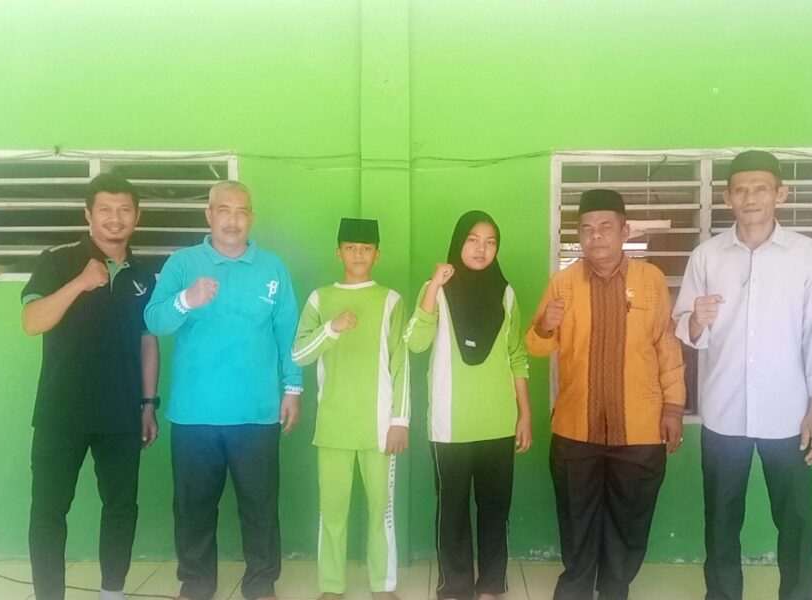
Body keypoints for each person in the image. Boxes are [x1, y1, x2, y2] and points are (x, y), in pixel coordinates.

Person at [672, 150, 812, 600]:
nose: (750, 197)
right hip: (724, 412)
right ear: (727, 198)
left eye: (760, 188)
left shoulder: (805, 254)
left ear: (781, 194)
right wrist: (697, 319)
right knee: (721, 520)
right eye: (740, 189)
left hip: (789, 414)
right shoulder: (707, 256)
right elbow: (683, 327)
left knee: (796, 518)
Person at [143, 180, 302, 600]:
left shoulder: (273, 267)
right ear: (209, 215)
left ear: (252, 217)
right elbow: (154, 321)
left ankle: (261, 583)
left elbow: (289, 333)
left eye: (241, 211)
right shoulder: (182, 263)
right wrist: (186, 300)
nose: (233, 220)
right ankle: (196, 583)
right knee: (193, 507)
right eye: (224, 210)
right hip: (194, 413)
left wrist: (293, 387)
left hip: (257, 412)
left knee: (260, 507)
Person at [525, 189, 686, 600]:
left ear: (624, 232)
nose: (595, 235)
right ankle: (576, 590)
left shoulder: (650, 280)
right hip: (576, 430)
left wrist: (673, 406)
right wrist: (544, 325)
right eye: (587, 228)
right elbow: (536, 346)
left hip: (640, 431)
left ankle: (615, 589)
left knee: (629, 523)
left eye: (605, 227)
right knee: (576, 522)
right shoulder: (562, 284)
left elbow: (667, 344)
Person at [21, 173, 161, 600]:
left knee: (121, 508)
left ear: (136, 216)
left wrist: (148, 403)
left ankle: (112, 592)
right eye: (105, 209)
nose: (115, 218)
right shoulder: (57, 261)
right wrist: (80, 283)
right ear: (88, 214)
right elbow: (32, 322)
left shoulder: (145, 275)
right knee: (49, 512)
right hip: (61, 411)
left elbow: (148, 342)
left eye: (124, 210)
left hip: (121, 412)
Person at [405, 210, 531, 600]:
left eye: (490, 242)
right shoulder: (437, 290)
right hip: (450, 424)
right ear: (459, 242)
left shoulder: (506, 294)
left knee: (495, 509)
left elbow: (517, 355)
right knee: (453, 512)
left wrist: (525, 414)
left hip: (498, 422)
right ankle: (456, 587)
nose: (481, 249)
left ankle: (491, 586)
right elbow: (416, 343)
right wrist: (432, 287)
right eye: (473, 240)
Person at [291, 218, 409, 600]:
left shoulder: (391, 300)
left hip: (379, 427)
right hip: (333, 426)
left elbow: (401, 363)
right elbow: (299, 354)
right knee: (332, 511)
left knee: (381, 511)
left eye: (366, 248)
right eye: (351, 248)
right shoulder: (319, 298)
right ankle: (331, 586)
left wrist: (400, 420)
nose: (358, 254)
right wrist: (332, 328)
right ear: (338, 252)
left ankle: (383, 585)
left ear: (378, 255)